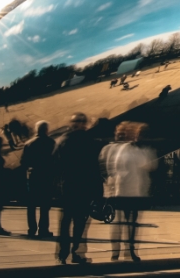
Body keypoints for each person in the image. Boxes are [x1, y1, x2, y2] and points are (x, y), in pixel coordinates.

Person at [100, 122, 156, 261]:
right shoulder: (122, 149)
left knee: (131, 223)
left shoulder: (138, 150)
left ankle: (129, 250)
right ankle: (117, 251)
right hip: (123, 190)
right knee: (121, 221)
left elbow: (148, 165)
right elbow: (113, 166)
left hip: (135, 191)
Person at [55, 113, 101, 264]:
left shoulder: (62, 140)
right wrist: (98, 191)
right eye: (80, 121)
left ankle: (62, 254)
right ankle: (76, 252)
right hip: (84, 185)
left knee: (66, 220)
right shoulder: (90, 141)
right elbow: (95, 168)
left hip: (68, 185)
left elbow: (54, 163)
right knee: (80, 221)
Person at [22, 121, 56, 238]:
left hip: (32, 176)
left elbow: (23, 162)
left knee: (31, 204)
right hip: (46, 176)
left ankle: (31, 229)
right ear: (46, 130)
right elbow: (55, 160)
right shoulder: (51, 143)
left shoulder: (28, 143)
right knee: (45, 204)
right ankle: (43, 229)